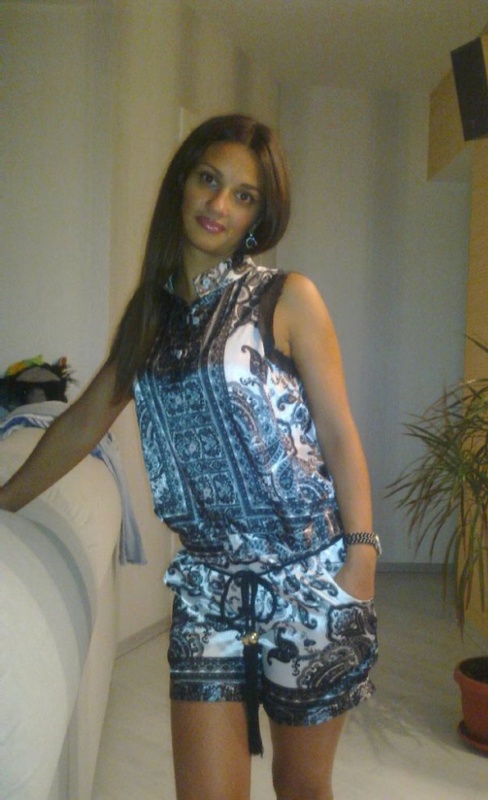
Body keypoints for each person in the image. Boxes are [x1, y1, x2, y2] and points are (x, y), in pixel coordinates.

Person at [0, 114, 379, 800]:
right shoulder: (151, 316)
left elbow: (338, 430)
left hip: (309, 576)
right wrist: (5, 501)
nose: (218, 204)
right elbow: (84, 421)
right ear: (183, 182)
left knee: (302, 788)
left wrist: (361, 560)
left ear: (259, 216)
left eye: (243, 195)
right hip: (208, 588)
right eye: (209, 179)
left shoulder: (287, 297)